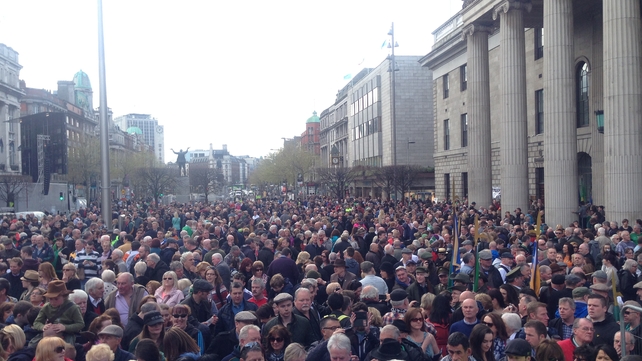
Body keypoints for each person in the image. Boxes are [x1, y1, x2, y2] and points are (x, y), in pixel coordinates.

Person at [29, 280, 84, 347]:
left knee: (67, 347)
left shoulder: (73, 308)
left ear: (64, 297)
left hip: (67, 333)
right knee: (32, 345)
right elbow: (36, 322)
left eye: (56, 299)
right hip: (50, 333)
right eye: (50, 299)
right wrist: (43, 327)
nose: (53, 302)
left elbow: (80, 324)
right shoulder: (46, 307)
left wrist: (65, 327)